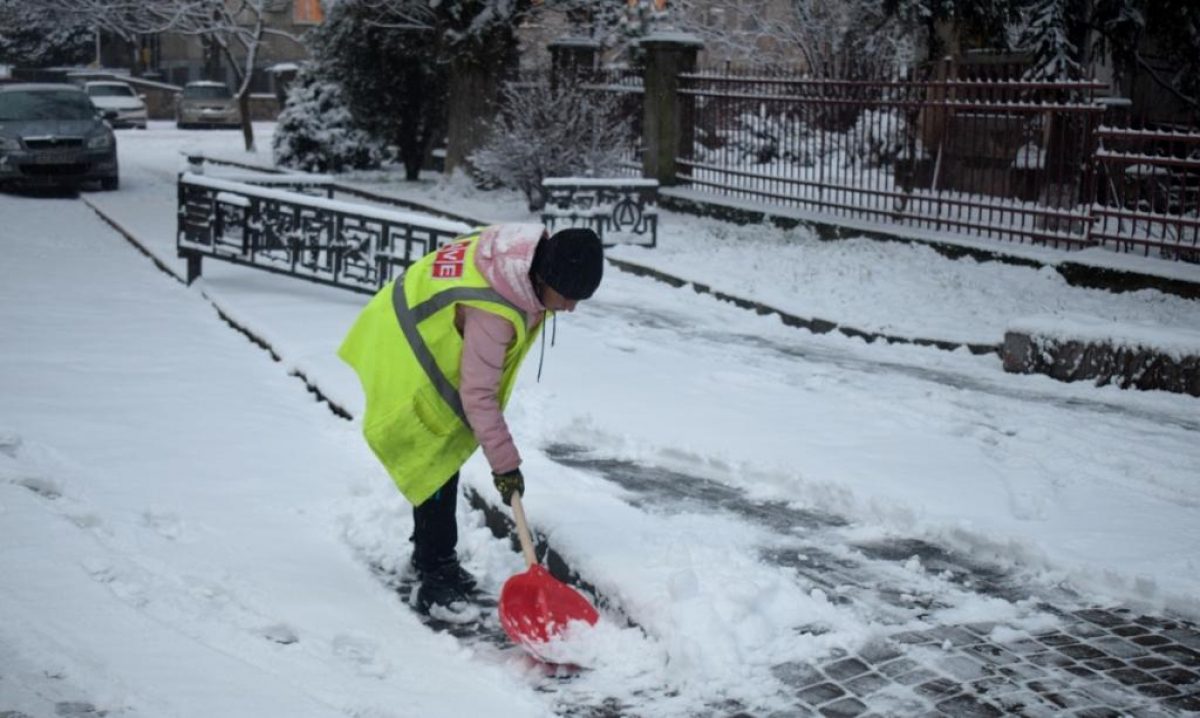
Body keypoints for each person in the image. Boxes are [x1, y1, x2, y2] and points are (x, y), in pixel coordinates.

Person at [338, 224, 604, 618]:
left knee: (442, 464)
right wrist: (506, 466)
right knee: (435, 463)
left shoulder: (517, 260)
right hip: (407, 354)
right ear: (546, 278)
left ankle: (435, 558)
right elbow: (478, 395)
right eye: (567, 297)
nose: (570, 308)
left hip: (415, 330)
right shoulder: (492, 311)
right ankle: (434, 576)